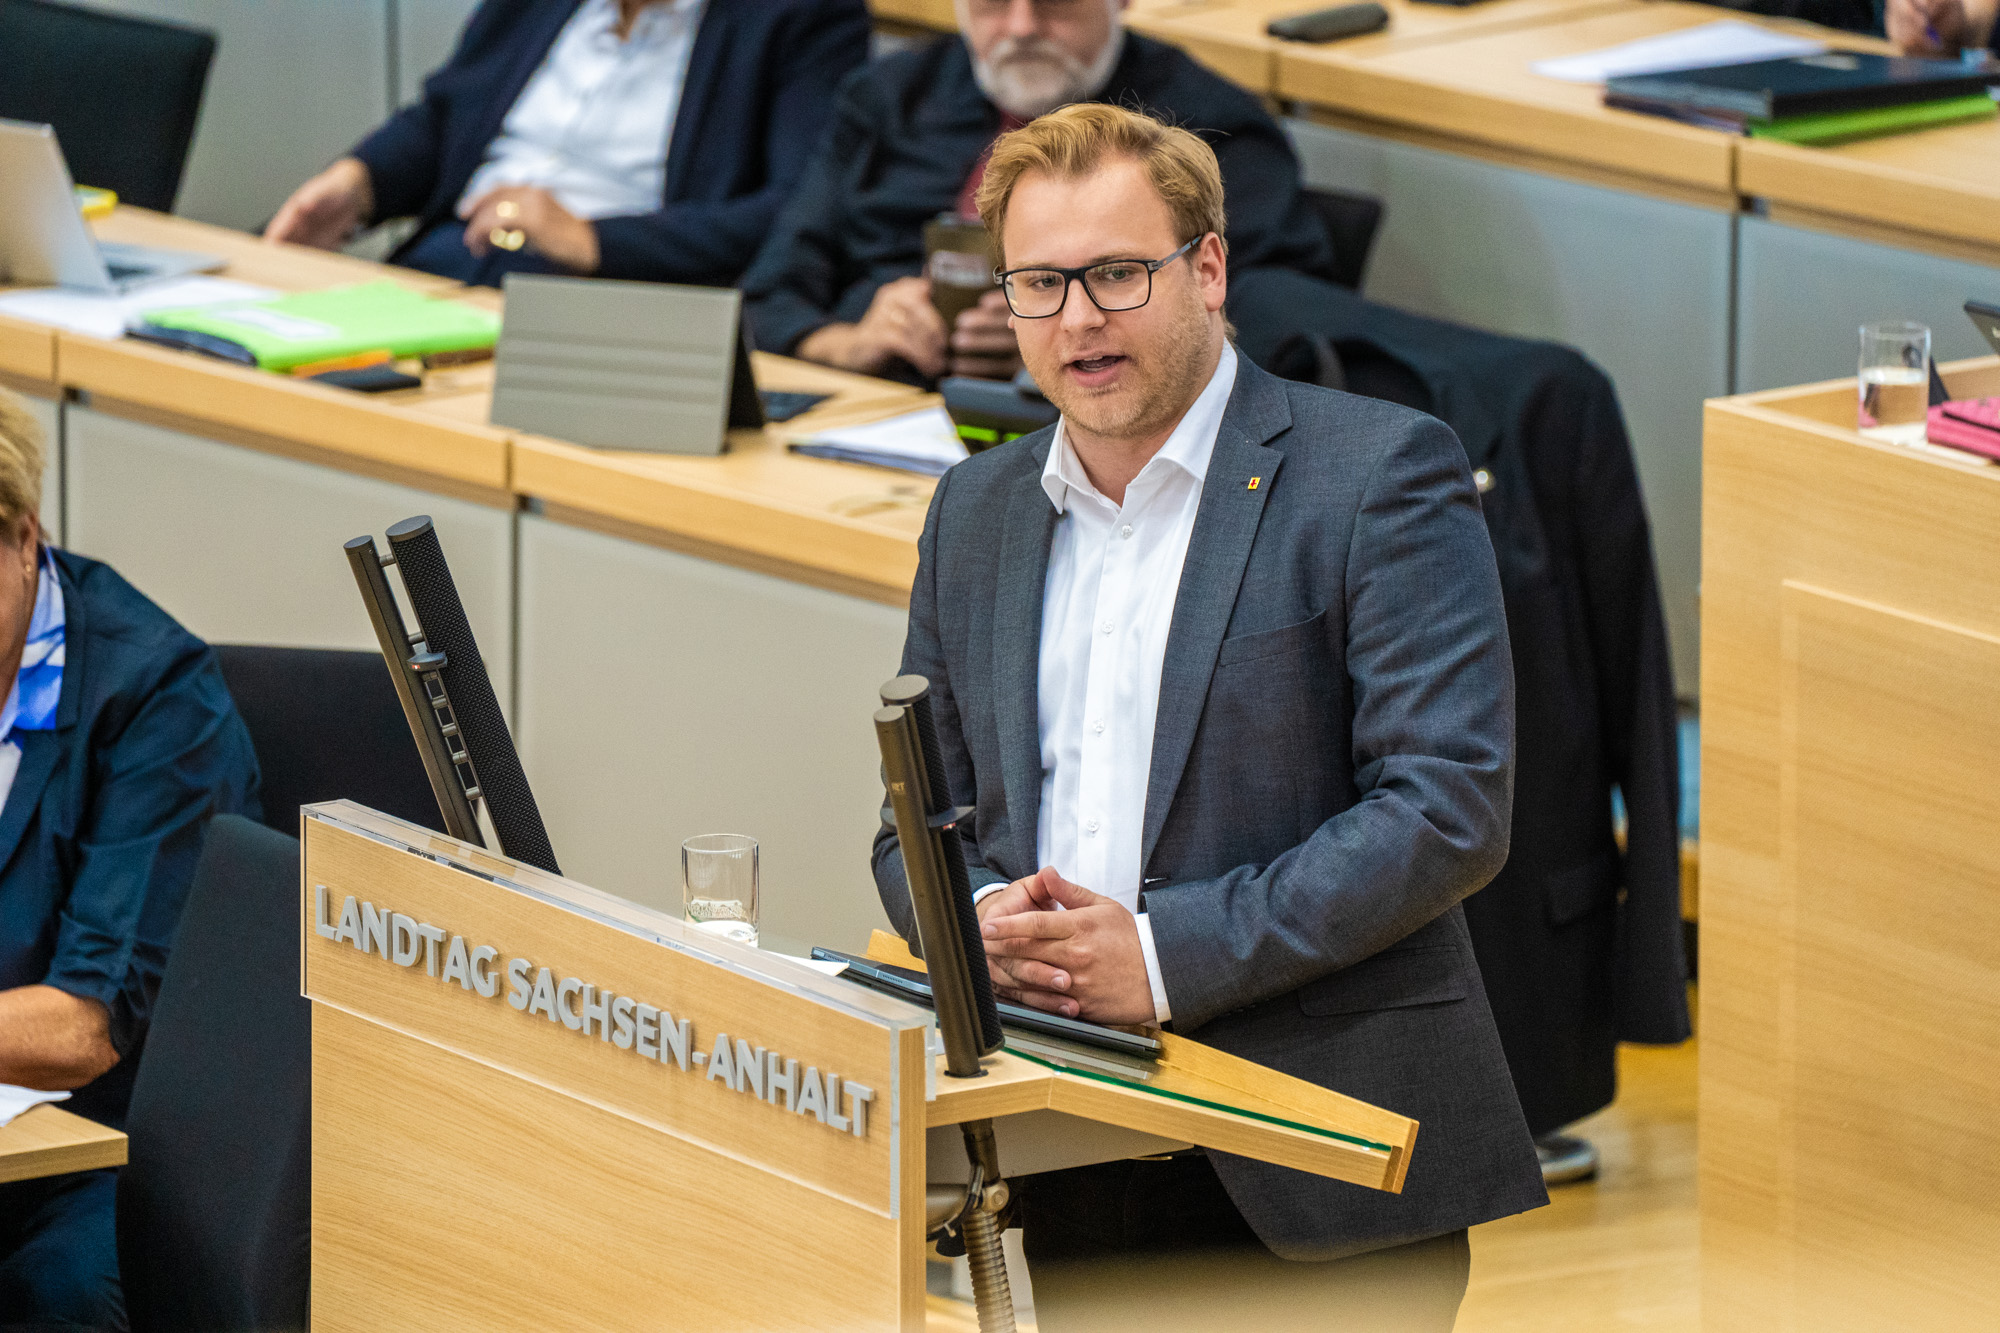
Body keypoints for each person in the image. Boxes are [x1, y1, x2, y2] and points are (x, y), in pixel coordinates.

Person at [870, 105, 1544, 1330]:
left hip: (1315, 1159)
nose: (1077, 319)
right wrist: (978, 922)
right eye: (1038, 283)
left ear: (1208, 268)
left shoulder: (1377, 474)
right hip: (1053, 1140)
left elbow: (1445, 809)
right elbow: (912, 821)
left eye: (1117, 274)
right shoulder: (974, 510)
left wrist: (1163, 954)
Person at [0, 391, 261, 1329]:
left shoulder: (156, 699)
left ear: (25, 538)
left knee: (55, 1294)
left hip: (106, 1144)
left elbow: (83, 1027)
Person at [741, 0, 1336, 384]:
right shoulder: (889, 98)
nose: (1022, 28)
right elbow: (772, 289)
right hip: (884, 409)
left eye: (1053, 4)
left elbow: (1267, 325)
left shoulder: (1212, 128)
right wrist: (847, 344)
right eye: (994, 4)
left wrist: (1058, 345)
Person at [266, 0, 870, 287]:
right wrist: (359, 182)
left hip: (610, 297)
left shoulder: (802, 17)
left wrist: (590, 239)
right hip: (451, 262)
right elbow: (450, 117)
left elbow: (794, 210)